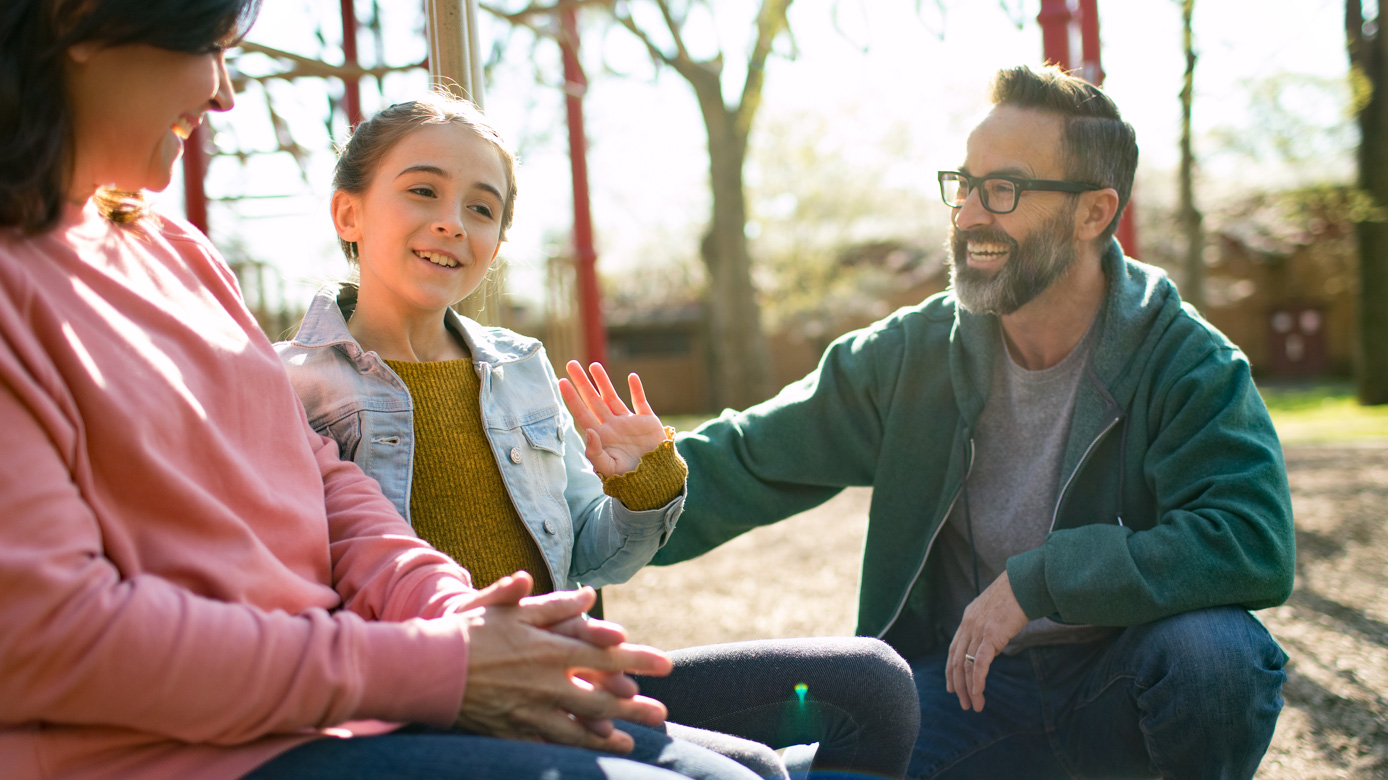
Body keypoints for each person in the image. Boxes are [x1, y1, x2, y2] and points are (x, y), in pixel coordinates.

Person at [0, 2, 788, 778]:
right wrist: (444, 663)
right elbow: (53, 636)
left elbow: (333, 495)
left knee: (800, 739)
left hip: (366, 688)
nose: (225, 93)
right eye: (208, 45)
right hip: (243, 730)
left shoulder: (180, 254)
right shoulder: (288, 366)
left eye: (482, 209)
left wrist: (467, 618)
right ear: (77, 20)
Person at [618, 65, 1296, 780]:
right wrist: (600, 504)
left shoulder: (1186, 361)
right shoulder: (912, 353)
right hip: (965, 694)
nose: (970, 214)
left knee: (1218, 659)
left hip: (1118, 692)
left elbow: (1251, 540)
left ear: (1094, 212)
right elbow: (751, 456)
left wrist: (1040, 582)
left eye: (1002, 189)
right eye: (963, 184)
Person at [275, 93, 920, 779]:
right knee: (758, 770)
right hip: (428, 707)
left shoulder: (520, 368)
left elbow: (594, 557)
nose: (452, 223)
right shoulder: (286, 387)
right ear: (349, 211)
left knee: (872, 684)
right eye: (423, 191)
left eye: (481, 208)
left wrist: (642, 484)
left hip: (568, 680)